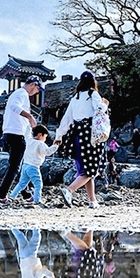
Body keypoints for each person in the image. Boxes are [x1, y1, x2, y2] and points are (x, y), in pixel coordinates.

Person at [56, 70, 109, 209]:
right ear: (93, 81)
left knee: (85, 169)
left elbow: (67, 119)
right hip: (90, 136)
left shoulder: (76, 97)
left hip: (76, 135)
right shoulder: (93, 94)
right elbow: (99, 109)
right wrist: (105, 104)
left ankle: (93, 201)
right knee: (91, 169)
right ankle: (69, 190)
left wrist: (59, 136)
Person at [0, 75, 42, 203]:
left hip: (9, 134)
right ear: (33, 84)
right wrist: (30, 117)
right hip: (16, 135)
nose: (37, 92)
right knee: (15, 167)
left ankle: (26, 194)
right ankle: (1, 194)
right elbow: (14, 106)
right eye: (38, 89)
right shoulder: (21, 93)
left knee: (18, 166)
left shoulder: (18, 93)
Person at [5, 125, 58, 207]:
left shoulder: (28, 140)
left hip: (25, 165)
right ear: (40, 135)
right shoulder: (40, 144)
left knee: (21, 184)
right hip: (33, 167)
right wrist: (56, 146)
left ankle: (12, 196)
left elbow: (27, 133)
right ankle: (37, 200)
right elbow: (48, 152)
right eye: (45, 137)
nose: (45, 139)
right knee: (38, 184)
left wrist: (30, 125)